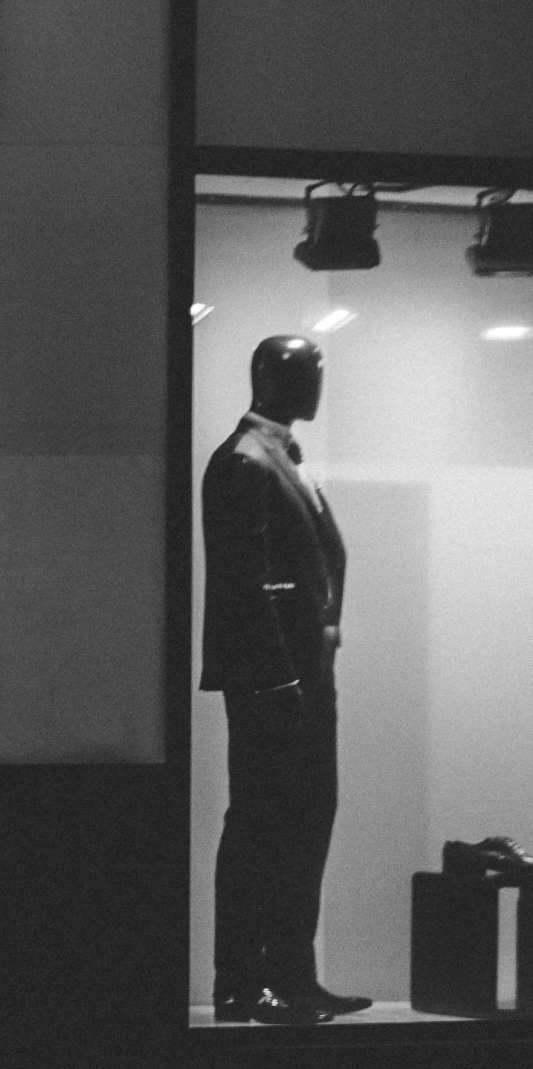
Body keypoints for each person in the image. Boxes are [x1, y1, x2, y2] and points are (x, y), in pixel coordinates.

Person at [200, 335, 367, 1025]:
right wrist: (276, 680)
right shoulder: (243, 462)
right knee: (263, 825)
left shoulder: (280, 458)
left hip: (304, 675)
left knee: (306, 818)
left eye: (318, 371)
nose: (315, 384)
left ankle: (293, 972)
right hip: (275, 680)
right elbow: (246, 583)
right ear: (267, 377)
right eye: (303, 372)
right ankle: (243, 980)